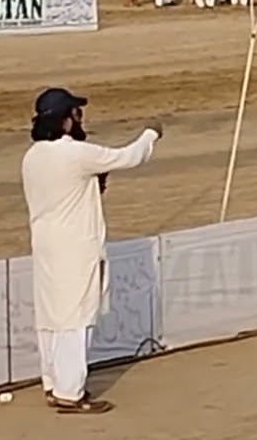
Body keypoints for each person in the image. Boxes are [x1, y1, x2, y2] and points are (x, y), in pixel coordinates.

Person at [21, 87, 163, 414]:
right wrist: (150, 134)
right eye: (75, 113)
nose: (79, 118)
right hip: (74, 245)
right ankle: (71, 392)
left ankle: (53, 383)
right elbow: (129, 156)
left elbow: (71, 189)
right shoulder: (74, 153)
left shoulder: (32, 157)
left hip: (45, 244)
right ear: (65, 121)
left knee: (51, 315)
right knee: (75, 316)